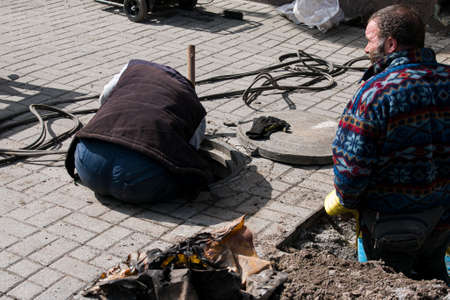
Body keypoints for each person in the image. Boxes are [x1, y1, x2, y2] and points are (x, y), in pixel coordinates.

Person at [324, 4, 449, 283]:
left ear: (390, 44)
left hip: (392, 223)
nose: (366, 49)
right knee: (434, 276)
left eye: (369, 40)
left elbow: (352, 167)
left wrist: (346, 199)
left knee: (387, 284)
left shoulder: (376, 93)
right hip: (442, 216)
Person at [65, 60, 213, 203]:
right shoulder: (194, 106)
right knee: (185, 179)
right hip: (141, 183)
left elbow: (104, 98)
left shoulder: (131, 69)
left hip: (88, 166)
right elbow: (189, 150)